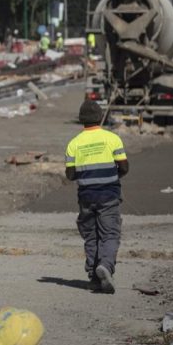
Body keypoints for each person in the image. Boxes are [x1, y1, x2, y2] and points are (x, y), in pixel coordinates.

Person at [65, 99, 128, 294]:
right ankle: (106, 267)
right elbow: (124, 167)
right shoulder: (112, 139)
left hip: (86, 197)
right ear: (101, 117)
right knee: (109, 234)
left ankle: (93, 277)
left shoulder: (73, 144)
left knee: (91, 236)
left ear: (81, 120)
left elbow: (70, 175)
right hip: (108, 195)